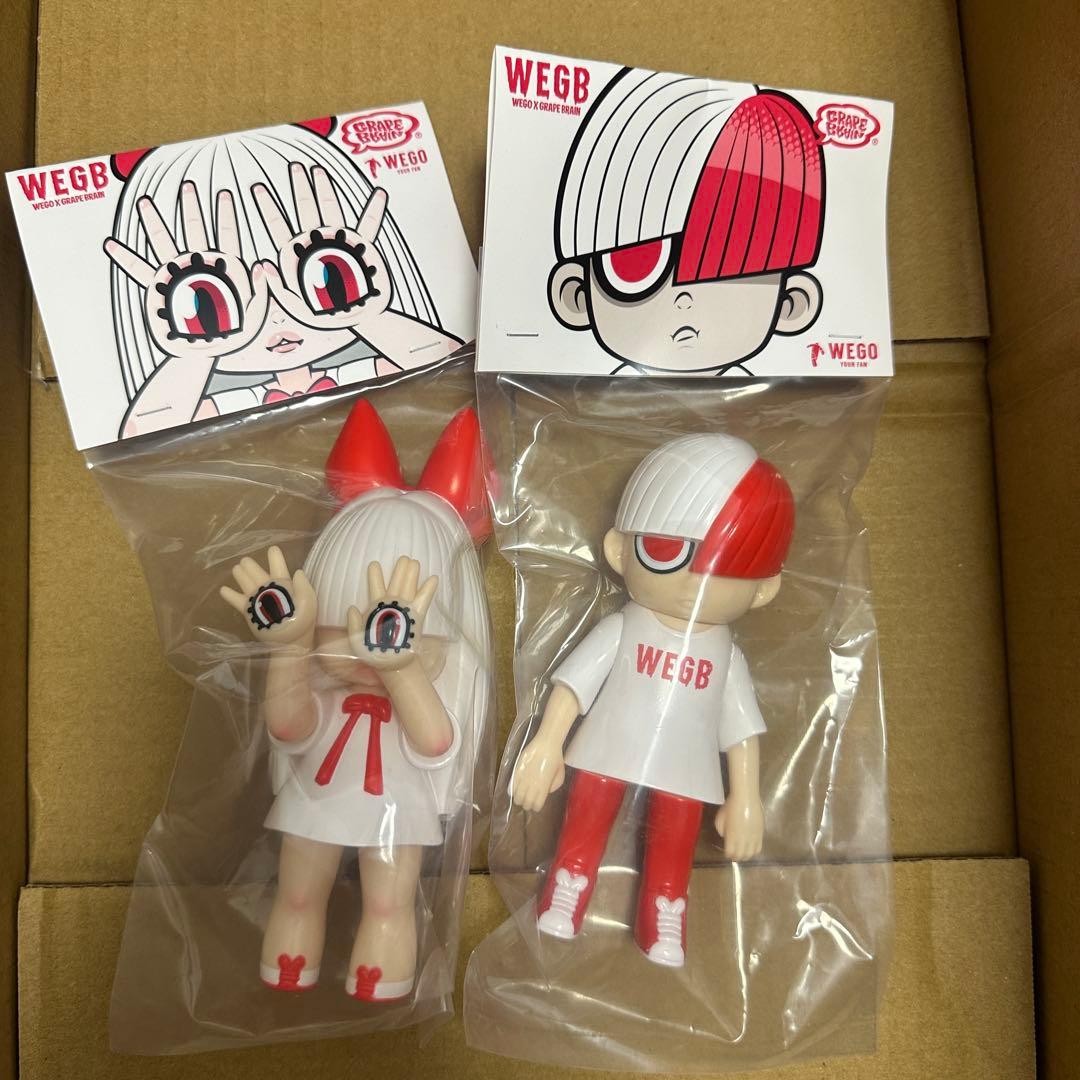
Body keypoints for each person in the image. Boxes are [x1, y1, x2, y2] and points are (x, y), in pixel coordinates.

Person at [220, 401, 490, 1000]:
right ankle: (290, 960)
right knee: (298, 892)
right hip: (317, 796)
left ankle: (380, 975)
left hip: (400, 801)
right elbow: (288, 727)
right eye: (341, 633)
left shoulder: (438, 676)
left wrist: (402, 670)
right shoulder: (321, 679)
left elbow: (437, 742)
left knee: (389, 903)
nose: (369, 651)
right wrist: (291, 647)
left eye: (396, 632)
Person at [511, 432, 795, 967]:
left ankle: (666, 909)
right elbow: (572, 688)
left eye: (728, 564)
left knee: (675, 843)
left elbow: (740, 731)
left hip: (687, 769)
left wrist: (746, 797)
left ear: (763, 588)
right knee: (583, 824)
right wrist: (547, 744)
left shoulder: (727, 657)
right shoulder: (623, 627)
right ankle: (569, 884)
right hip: (605, 750)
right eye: (668, 551)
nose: (694, 581)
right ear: (620, 550)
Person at [548, 74, 826, 374]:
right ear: (575, 295)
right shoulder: (592, 394)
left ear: (791, 304)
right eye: (639, 264)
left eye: (728, 270)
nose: (684, 300)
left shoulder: (767, 401)